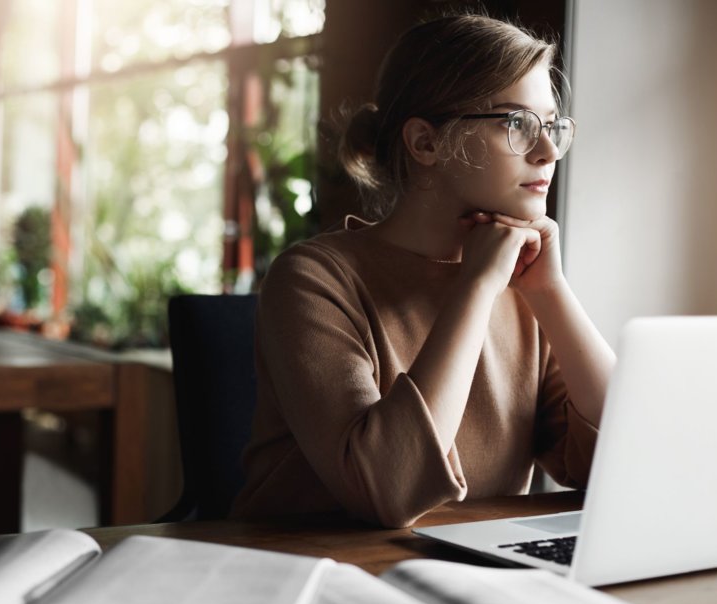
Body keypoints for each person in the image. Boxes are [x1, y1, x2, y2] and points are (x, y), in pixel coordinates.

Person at [230, 13, 616, 528]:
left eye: (552, 127)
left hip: (471, 572)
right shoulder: (313, 280)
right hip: (315, 574)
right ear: (426, 142)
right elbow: (388, 491)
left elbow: (617, 459)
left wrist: (551, 291)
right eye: (517, 124)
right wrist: (476, 288)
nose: (547, 152)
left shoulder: (523, 283)